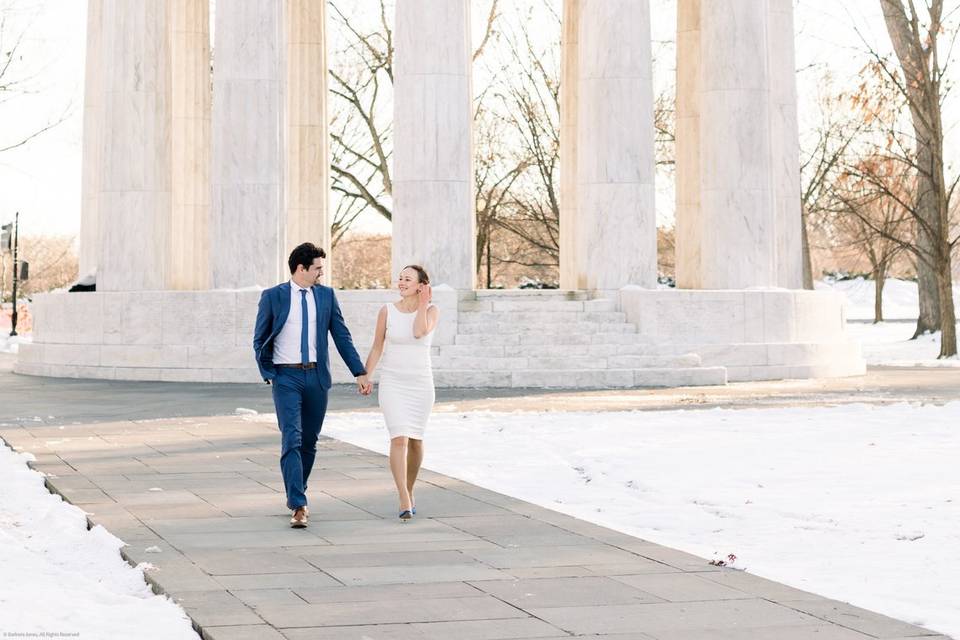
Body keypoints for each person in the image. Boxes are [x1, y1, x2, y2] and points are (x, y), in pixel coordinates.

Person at [253, 243, 371, 528]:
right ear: (301, 268)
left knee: (309, 442)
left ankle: (297, 490)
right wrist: (268, 372)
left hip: (317, 377)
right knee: (291, 437)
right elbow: (260, 337)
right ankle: (298, 503)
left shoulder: (327, 296)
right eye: (317, 268)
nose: (321, 273)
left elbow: (342, 336)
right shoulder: (273, 297)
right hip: (286, 378)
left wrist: (360, 371)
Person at [363, 265, 439, 521]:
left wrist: (423, 303)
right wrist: (366, 374)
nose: (402, 282)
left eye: (408, 279)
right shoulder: (387, 311)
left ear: (421, 285)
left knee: (416, 440)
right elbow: (377, 347)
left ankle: (409, 488)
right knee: (399, 438)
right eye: (400, 278)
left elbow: (419, 332)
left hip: (420, 383)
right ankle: (403, 496)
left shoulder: (431, 311)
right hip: (393, 382)